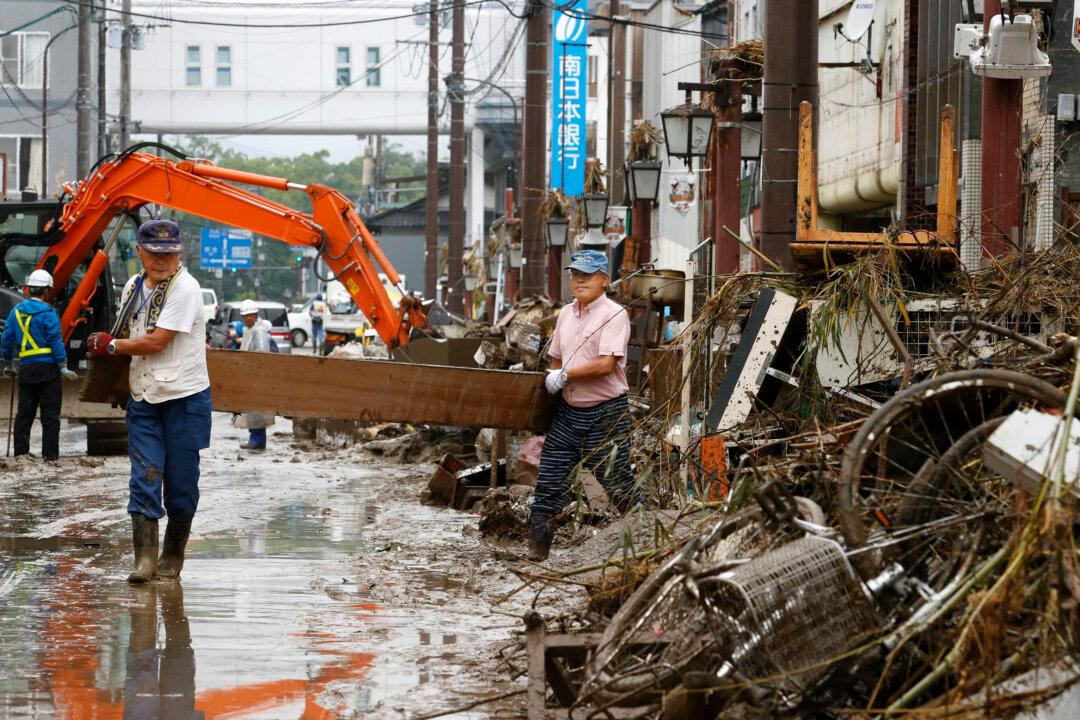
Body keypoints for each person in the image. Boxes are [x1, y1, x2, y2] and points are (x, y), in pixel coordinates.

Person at [87, 219, 212, 584]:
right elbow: (127, 332)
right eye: (154, 253)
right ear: (139, 252)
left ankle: (172, 553)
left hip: (184, 398)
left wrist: (111, 346)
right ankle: (144, 560)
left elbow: (156, 342)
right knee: (144, 475)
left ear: (179, 254)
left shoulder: (186, 289)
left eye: (169, 254)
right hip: (144, 396)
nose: (161, 261)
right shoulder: (133, 286)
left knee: (181, 483)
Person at [527, 250, 639, 561]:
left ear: (604, 279)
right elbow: (556, 358)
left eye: (587, 275)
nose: (580, 280)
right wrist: (555, 375)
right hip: (568, 412)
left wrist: (565, 374)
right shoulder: (565, 314)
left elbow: (605, 365)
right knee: (548, 484)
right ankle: (536, 553)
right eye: (575, 275)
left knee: (619, 485)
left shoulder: (614, 314)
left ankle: (645, 546)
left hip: (606, 414)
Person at [1, 269, 79, 461]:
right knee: (50, 416)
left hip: (27, 369)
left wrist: (8, 363)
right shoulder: (48, 312)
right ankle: (50, 458)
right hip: (48, 371)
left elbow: (7, 338)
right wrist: (62, 365)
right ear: (46, 290)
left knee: (24, 414)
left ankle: (21, 456)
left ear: (28, 289)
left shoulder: (15, 312)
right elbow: (55, 340)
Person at [234, 299, 274, 450]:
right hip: (251, 376)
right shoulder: (250, 330)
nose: (248, 318)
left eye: (251, 315)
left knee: (257, 410)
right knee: (253, 410)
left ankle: (257, 440)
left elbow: (261, 355)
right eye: (246, 316)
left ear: (256, 315)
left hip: (257, 376)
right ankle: (255, 438)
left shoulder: (259, 331)